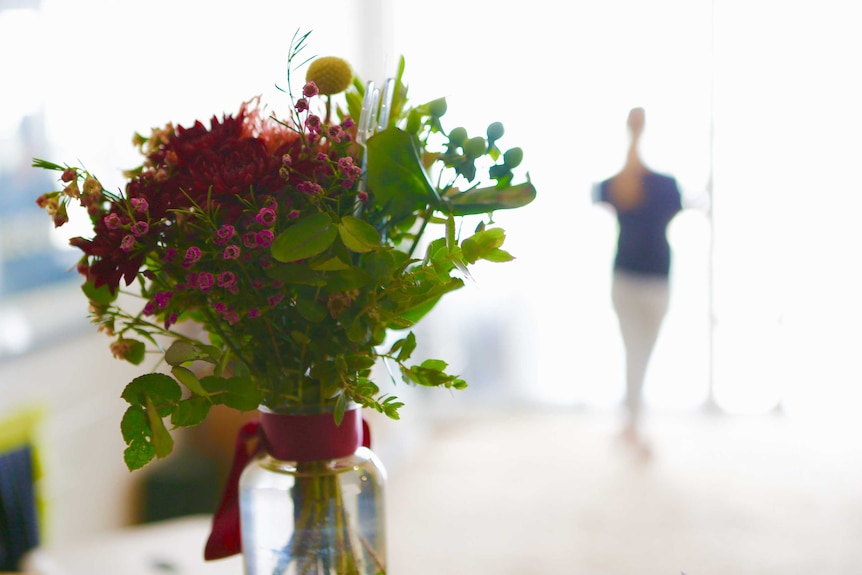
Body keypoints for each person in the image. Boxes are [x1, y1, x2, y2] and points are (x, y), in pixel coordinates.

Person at [593, 107, 682, 457]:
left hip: (625, 278)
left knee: (634, 354)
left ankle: (630, 423)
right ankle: (632, 425)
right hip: (655, 280)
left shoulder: (615, 183)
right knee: (640, 355)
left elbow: (599, 195)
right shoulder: (666, 186)